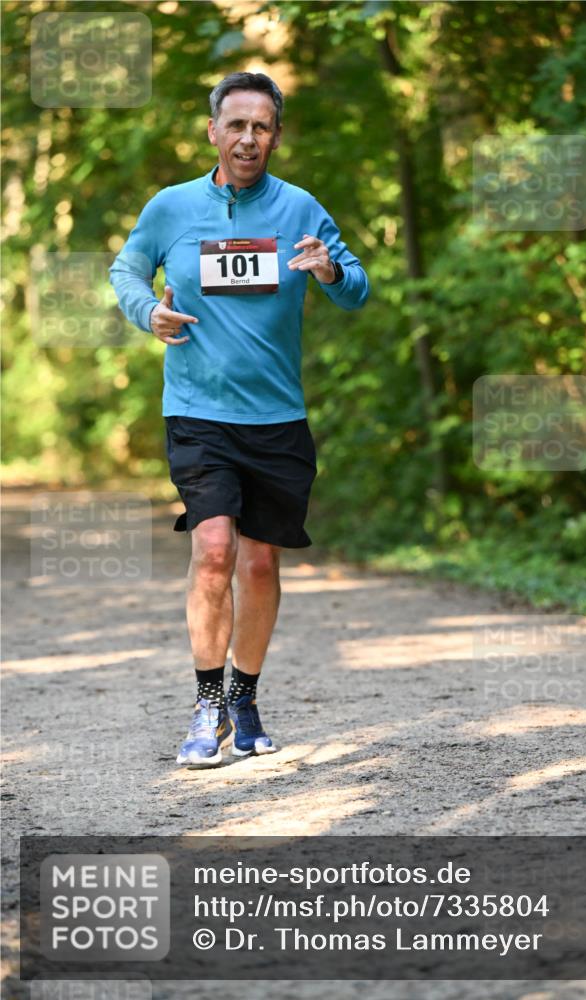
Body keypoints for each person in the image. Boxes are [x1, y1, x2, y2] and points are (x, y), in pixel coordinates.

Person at [110, 71, 369, 767]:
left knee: (258, 564)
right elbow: (125, 271)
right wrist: (147, 310)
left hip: (277, 416)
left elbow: (356, 289)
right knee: (214, 551)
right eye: (236, 125)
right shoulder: (172, 207)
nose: (248, 138)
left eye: (261, 126)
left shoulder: (299, 209)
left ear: (275, 135)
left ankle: (245, 695)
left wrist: (330, 272)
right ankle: (208, 705)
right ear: (212, 131)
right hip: (196, 412)